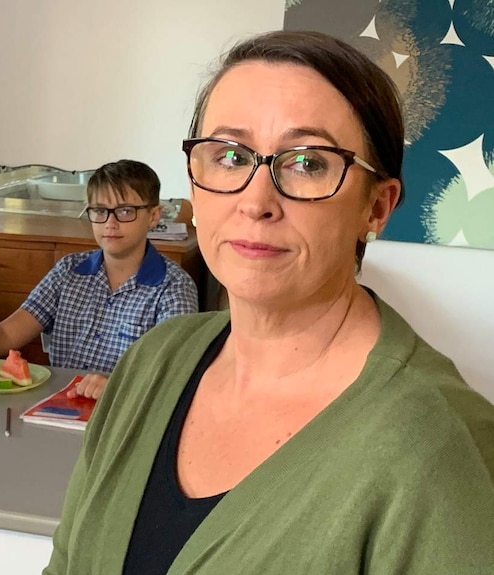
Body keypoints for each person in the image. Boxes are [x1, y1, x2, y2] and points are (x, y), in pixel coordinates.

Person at [45, 31, 494, 574]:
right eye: (230, 156)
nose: (256, 201)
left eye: (309, 163)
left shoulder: (442, 450)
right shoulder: (151, 363)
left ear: (376, 207)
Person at [0, 159, 199, 398]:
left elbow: (175, 372)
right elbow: (7, 333)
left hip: (126, 413)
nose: (110, 223)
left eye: (125, 211)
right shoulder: (69, 271)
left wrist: (117, 387)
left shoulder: (173, 287)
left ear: (153, 216)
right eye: (100, 211)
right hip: (61, 405)